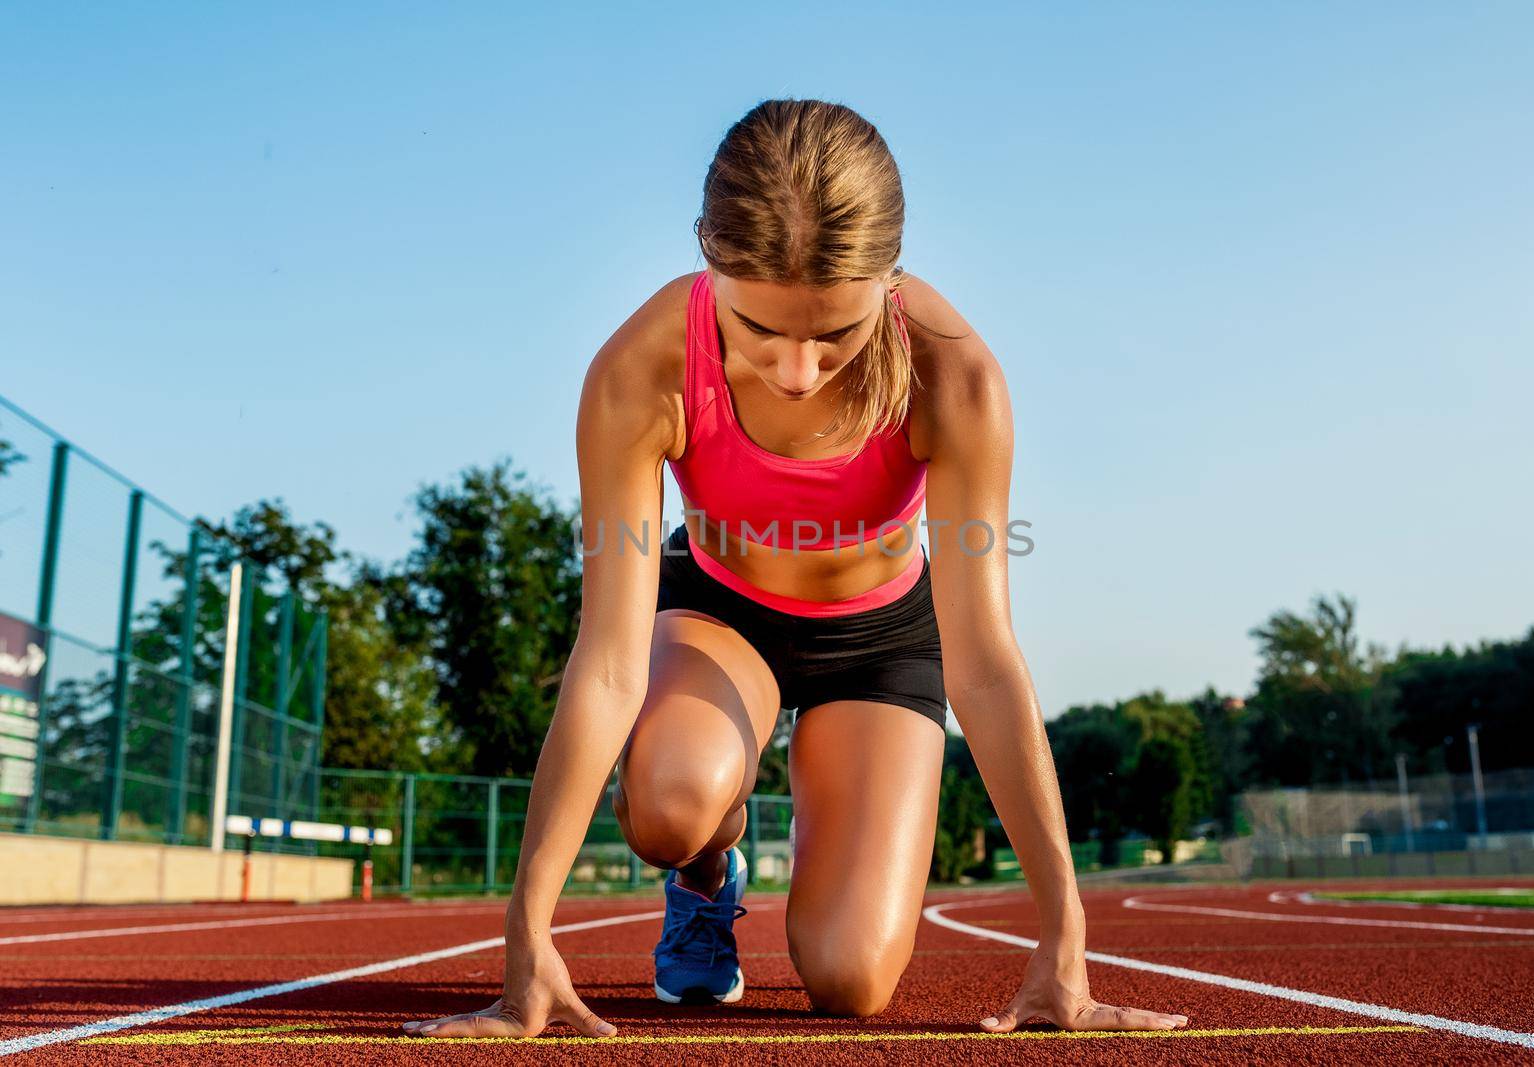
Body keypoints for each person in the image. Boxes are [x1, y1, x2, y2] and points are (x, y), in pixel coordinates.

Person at [403, 98, 1189, 1039]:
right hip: (720, 616)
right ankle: (705, 873)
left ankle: (799, 858)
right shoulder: (640, 371)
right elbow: (609, 659)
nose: (799, 371)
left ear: (889, 278)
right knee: (667, 808)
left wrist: (1065, 941)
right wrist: (526, 937)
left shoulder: (957, 377)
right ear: (708, 258)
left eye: (837, 335)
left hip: (883, 639)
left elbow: (983, 662)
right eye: (759, 329)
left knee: (851, 980)